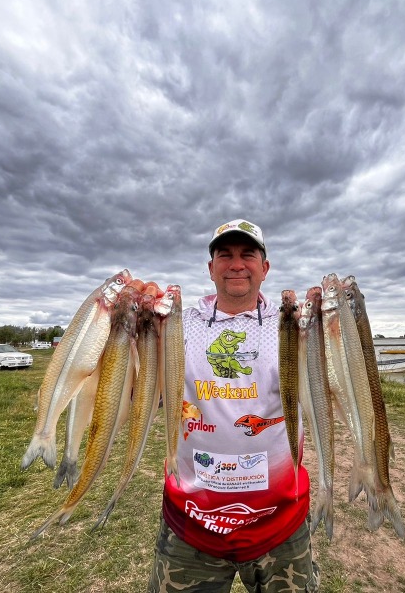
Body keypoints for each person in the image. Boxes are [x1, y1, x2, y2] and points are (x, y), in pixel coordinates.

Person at [148, 219, 319, 592]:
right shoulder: (178, 324)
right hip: (190, 524)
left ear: (265, 268)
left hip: (280, 522)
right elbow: (139, 387)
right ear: (211, 269)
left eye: (248, 255)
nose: (236, 264)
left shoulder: (293, 325)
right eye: (224, 255)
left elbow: (329, 387)